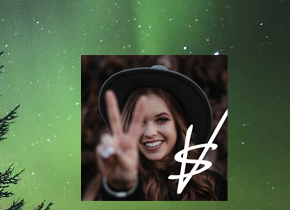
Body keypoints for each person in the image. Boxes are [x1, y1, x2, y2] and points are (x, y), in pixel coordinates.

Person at [84, 65, 227, 201]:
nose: (150, 133)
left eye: (162, 120)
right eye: (139, 121)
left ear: (178, 124)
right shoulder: (126, 186)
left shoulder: (214, 186)